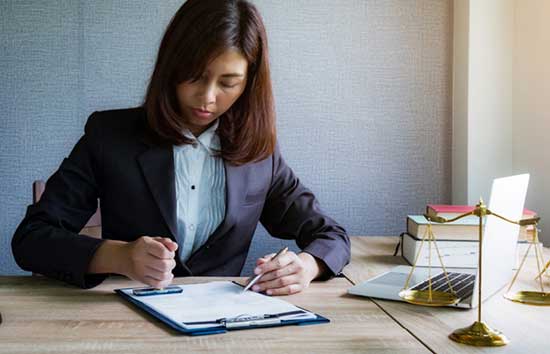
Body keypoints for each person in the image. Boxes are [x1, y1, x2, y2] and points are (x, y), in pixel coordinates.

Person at [12, 0, 350, 296]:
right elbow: (31, 239)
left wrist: (306, 266)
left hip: (223, 327)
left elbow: (330, 235)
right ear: (171, 67)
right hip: (121, 323)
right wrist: (119, 256)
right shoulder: (109, 135)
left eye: (228, 83)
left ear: (249, 83)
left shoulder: (259, 153)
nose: (207, 98)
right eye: (195, 76)